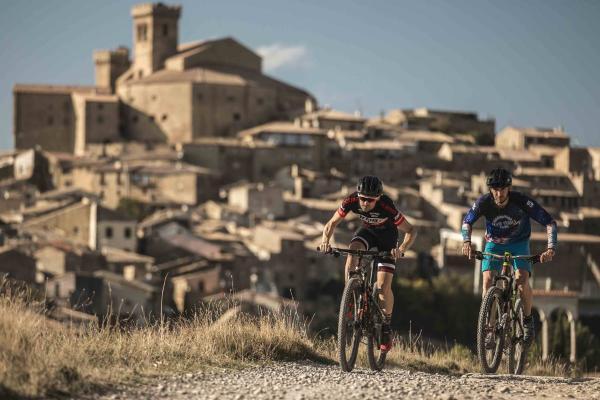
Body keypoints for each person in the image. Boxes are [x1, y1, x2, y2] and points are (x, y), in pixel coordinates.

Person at [319, 175, 417, 352]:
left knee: (382, 287)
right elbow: (331, 223)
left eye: (370, 200)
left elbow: (411, 230)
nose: (365, 203)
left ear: (378, 198)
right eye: (362, 198)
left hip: (387, 239)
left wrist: (401, 248)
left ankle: (386, 326)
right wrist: (325, 240)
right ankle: (350, 297)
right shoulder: (351, 200)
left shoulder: (387, 206)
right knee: (352, 254)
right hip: (367, 232)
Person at [461, 167, 557, 344]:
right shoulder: (484, 202)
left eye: (502, 189)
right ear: (490, 190)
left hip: (519, 244)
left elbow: (549, 223)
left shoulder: (521, 201)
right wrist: (466, 241)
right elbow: (467, 222)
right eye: (495, 190)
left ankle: (527, 322)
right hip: (494, 244)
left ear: (509, 188)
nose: (499, 194)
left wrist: (550, 248)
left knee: (521, 282)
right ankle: (489, 328)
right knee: (488, 280)